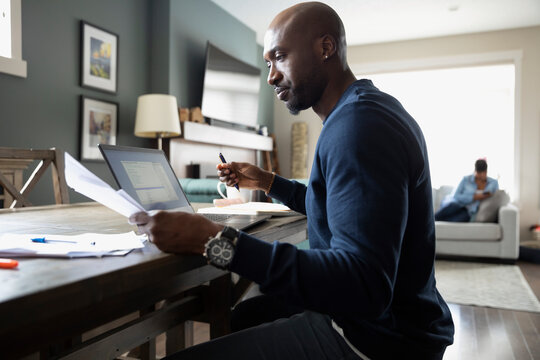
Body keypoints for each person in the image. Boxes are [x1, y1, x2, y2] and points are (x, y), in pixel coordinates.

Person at [130, 2, 454, 359]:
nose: (271, 76)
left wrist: (212, 240)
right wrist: (269, 182)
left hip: (377, 342)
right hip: (388, 325)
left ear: (325, 47)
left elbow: (364, 286)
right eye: (268, 63)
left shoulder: (358, 127)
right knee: (242, 316)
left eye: (280, 57)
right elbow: (337, 206)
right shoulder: (362, 110)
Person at [435, 159, 499, 222]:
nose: (481, 176)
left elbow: (493, 195)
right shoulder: (466, 179)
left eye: (483, 173)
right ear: (475, 171)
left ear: (486, 172)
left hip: (469, 211)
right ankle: (431, 220)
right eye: (479, 173)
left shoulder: (493, 183)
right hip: (458, 204)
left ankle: (437, 222)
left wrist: (483, 195)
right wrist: (474, 197)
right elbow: (456, 196)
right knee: (448, 209)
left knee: (458, 219)